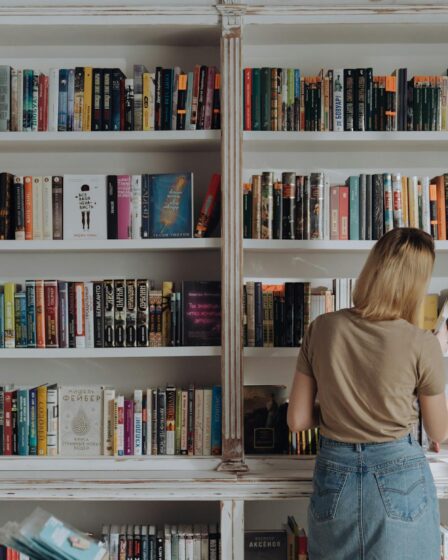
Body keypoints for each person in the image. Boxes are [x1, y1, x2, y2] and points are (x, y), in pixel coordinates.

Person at [287, 228, 448, 560]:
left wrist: (340, 407)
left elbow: (298, 420)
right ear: (416, 283)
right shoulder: (422, 342)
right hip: (399, 471)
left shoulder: (321, 327)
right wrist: (436, 353)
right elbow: (439, 431)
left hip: (334, 470)